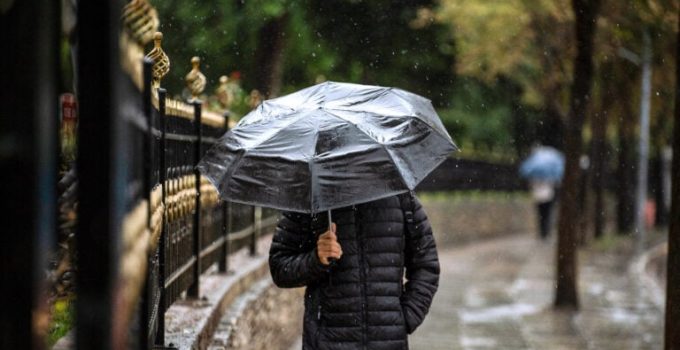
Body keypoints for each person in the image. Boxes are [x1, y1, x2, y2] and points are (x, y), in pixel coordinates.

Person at [269, 192, 439, 350]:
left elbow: (426, 265)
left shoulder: (399, 196)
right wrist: (316, 259)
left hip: (387, 341)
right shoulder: (310, 197)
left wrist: (406, 318)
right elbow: (280, 267)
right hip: (328, 341)